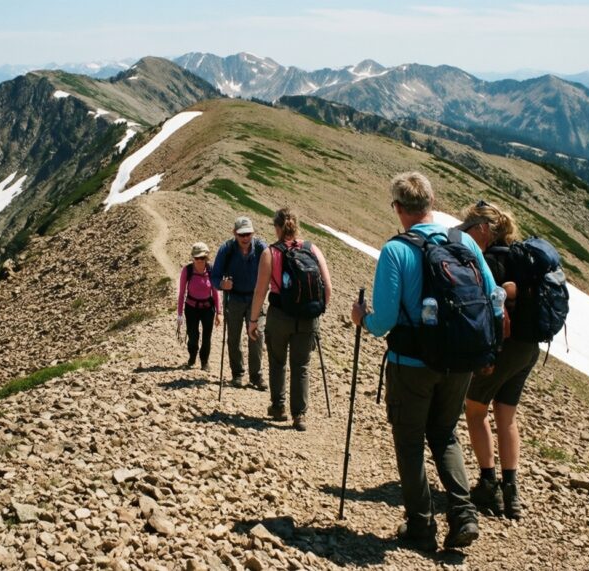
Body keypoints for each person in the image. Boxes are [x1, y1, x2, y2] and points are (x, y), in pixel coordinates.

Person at [350, 172, 501, 552]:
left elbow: (382, 321)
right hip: (460, 361)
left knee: (410, 440)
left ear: (398, 208)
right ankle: (463, 514)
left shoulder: (396, 250)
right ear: (431, 203)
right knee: (445, 433)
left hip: (412, 363)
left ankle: (421, 526)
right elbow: (490, 292)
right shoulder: (464, 240)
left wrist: (360, 318)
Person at [458, 201, 538, 520]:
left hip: (504, 346)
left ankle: (488, 484)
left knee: (475, 410)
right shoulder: (523, 259)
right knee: (506, 416)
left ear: (484, 230)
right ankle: (512, 493)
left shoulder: (490, 261)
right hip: (528, 348)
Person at [247, 208, 332, 432]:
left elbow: (260, 291)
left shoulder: (270, 253)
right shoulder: (312, 249)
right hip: (307, 318)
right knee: (301, 365)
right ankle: (299, 415)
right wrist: (315, 311)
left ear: (277, 227)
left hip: (280, 316)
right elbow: (327, 287)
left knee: (277, 361)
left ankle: (278, 407)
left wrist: (253, 320)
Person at [210, 216, 268, 389]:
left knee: (256, 334)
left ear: (253, 233)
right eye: (241, 234)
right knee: (233, 337)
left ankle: (256, 376)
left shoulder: (261, 249)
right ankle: (238, 374)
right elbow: (214, 276)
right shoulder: (226, 249)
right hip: (233, 298)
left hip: (255, 298)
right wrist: (222, 284)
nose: (245, 238)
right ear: (234, 233)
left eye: (248, 234)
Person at [177, 242, 221, 371]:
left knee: (207, 336)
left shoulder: (211, 270)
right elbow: (181, 293)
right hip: (191, 308)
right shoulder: (188, 270)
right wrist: (179, 314)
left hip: (208, 308)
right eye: (197, 258)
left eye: (203, 258)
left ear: (207, 257)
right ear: (193, 258)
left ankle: (204, 361)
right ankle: (192, 356)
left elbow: (215, 292)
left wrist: (219, 312)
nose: (200, 261)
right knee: (193, 335)